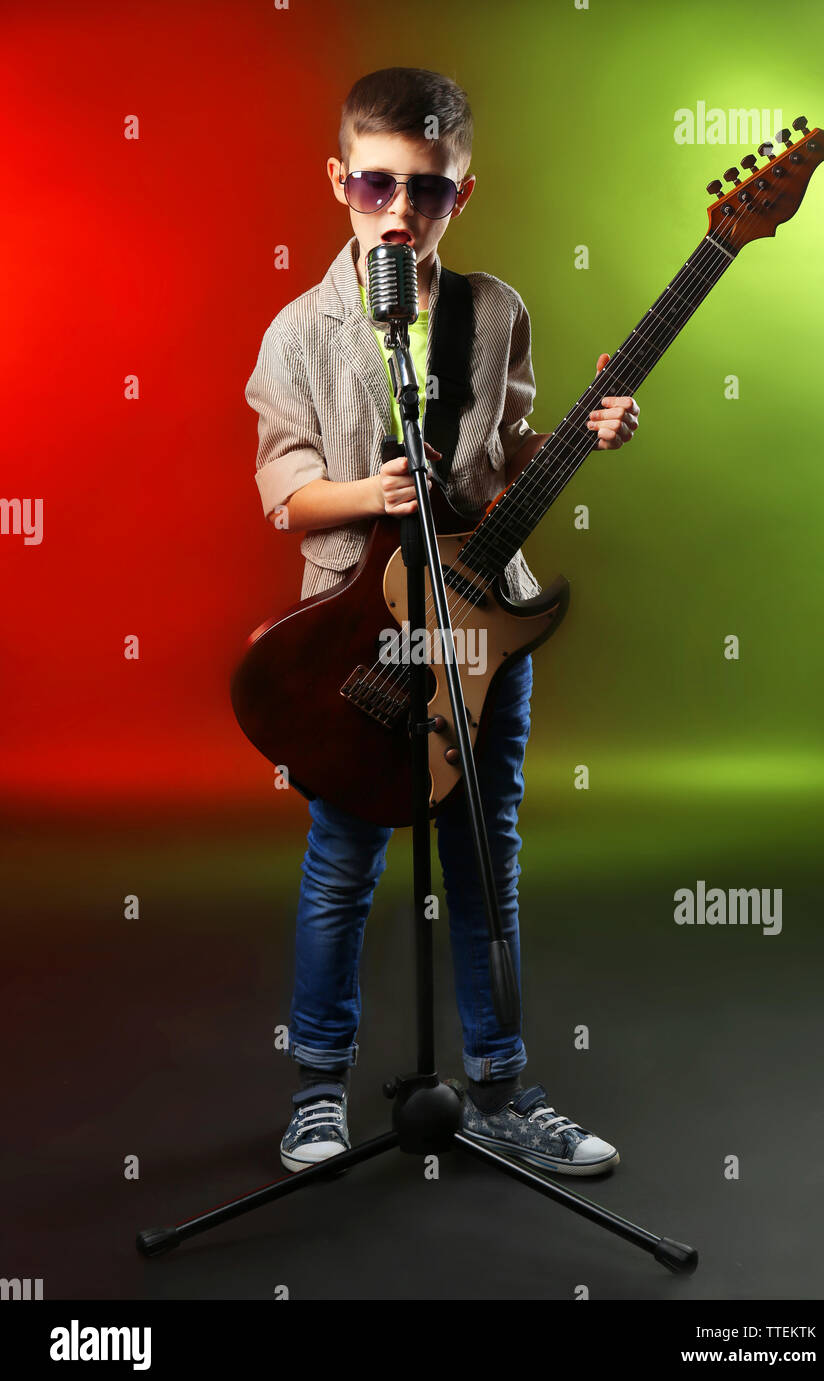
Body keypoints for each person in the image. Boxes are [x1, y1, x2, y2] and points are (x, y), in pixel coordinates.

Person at [244, 67, 640, 1179]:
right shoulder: (300, 330)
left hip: (481, 626)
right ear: (339, 180)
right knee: (342, 861)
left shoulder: (494, 310)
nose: (399, 212)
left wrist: (580, 432)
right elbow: (282, 486)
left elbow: (505, 461)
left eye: (427, 190)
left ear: (460, 194)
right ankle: (320, 1088)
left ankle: (504, 1090)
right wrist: (365, 497)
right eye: (375, 184)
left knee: (484, 850)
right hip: (355, 638)